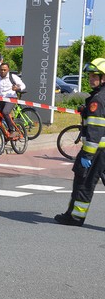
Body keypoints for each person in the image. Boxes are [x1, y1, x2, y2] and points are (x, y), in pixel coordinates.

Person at [55, 58, 105, 226]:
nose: (91, 78)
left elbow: (96, 130)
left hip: (96, 151)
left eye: (95, 75)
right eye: (90, 75)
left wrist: (88, 156)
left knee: (83, 183)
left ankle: (75, 217)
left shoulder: (98, 100)